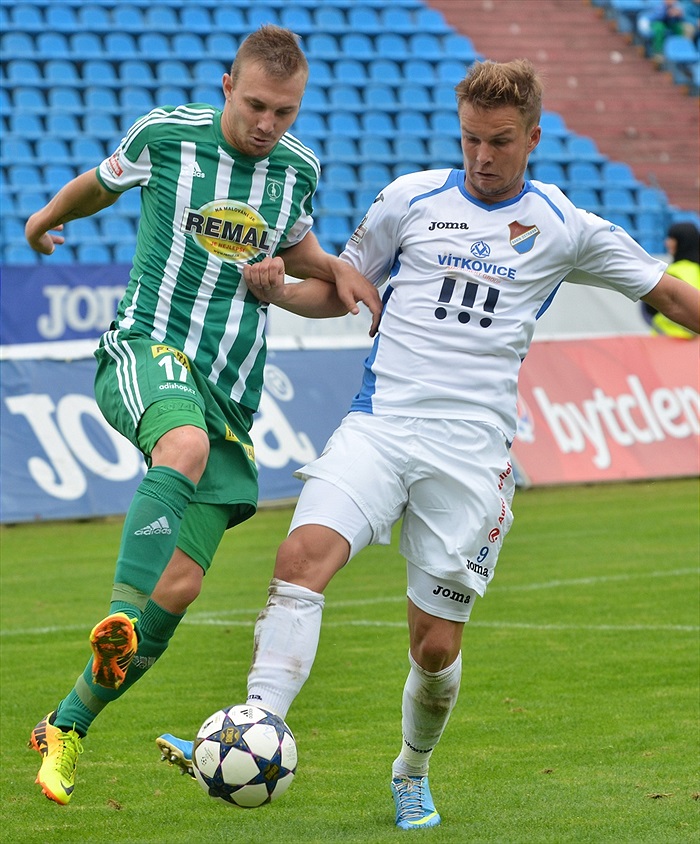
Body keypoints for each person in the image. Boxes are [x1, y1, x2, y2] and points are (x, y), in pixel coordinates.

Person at [156, 59, 700, 830]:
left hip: (472, 453)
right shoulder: (409, 199)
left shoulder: (565, 225)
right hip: (380, 426)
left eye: (501, 142)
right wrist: (275, 287)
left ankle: (411, 770)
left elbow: (668, 292)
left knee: (436, 649)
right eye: (472, 139)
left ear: (534, 138)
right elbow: (339, 291)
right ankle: (257, 723)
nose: (482, 156)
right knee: (301, 556)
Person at [24, 25, 381, 806]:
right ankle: (115, 615)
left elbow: (300, 251)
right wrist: (46, 219)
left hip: (232, 391)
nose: (268, 124)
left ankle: (67, 725)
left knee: (180, 587)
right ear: (228, 86)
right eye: (256, 105)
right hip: (146, 347)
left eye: (284, 111)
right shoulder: (167, 136)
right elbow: (99, 182)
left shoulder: (295, 171)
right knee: (177, 442)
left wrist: (335, 273)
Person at [641, 221, 700, 337]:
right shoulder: (696, 269)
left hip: (669, 342)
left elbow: (649, 308)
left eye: (672, 238)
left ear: (683, 242)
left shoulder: (674, 272)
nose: (667, 243)